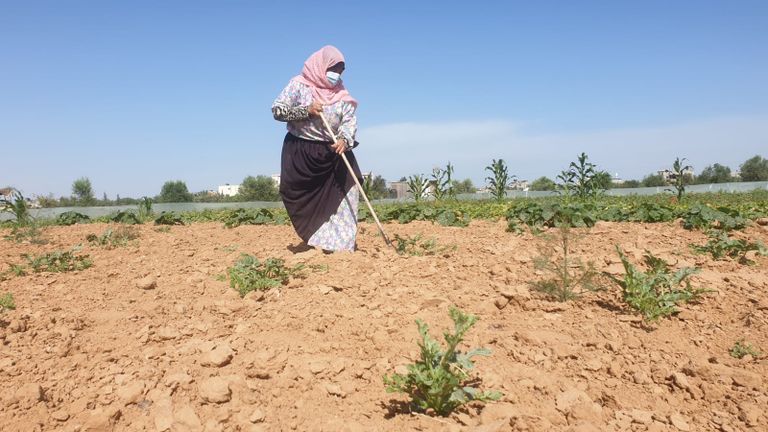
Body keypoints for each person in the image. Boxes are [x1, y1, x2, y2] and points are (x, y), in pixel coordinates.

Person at [272, 45, 363, 252]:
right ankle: (319, 239)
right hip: (301, 152)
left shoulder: (341, 93)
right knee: (299, 195)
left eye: (340, 71)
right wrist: (307, 110)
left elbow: (349, 121)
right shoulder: (299, 85)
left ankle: (340, 245)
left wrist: (345, 139)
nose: (336, 75)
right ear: (321, 66)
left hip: (334, 152)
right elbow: (277, 110)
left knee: (348, 192)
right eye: (333, 70)